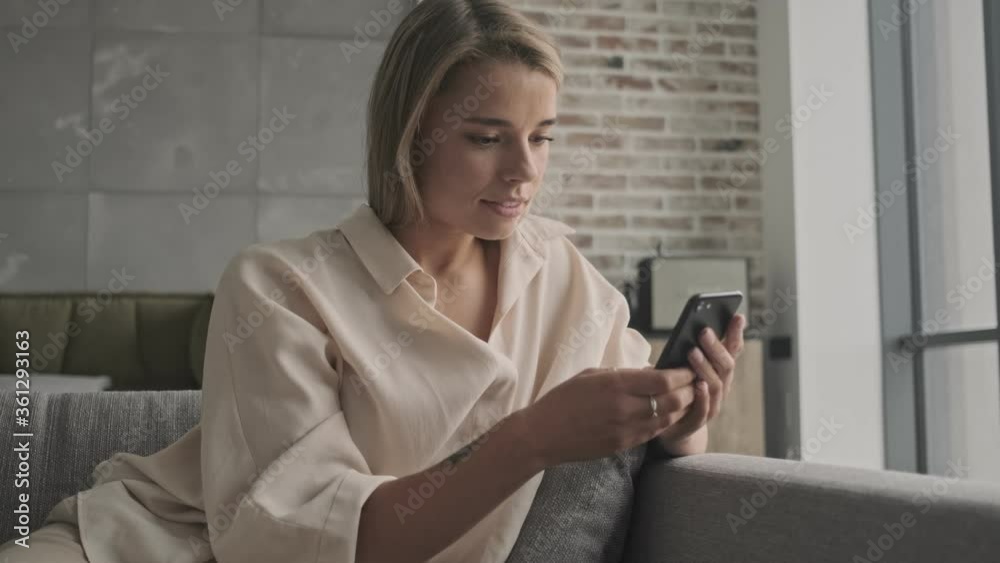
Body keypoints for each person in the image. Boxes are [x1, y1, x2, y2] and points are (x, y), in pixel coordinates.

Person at [0, 0, 745, 561]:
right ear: (410, 135)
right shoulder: (281, 288)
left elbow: (654, 432)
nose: (524, 171)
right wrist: (530, 438)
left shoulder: (564, 276)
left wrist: (685, 410)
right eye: (487, 138)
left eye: (542, 137)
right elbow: (303, 543)